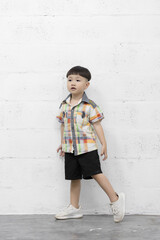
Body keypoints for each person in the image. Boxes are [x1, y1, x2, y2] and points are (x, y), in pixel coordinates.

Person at [55, 66, 125, 222]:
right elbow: (62, 125)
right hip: (70, 148)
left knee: (96, 173)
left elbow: (97, 125)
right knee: (73, 177)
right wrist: (62, 142)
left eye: (78, 80)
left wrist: (104, 143)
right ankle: (74, 207)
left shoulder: (90, 106)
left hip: (87, 148)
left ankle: (115, 199)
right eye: (70, 79)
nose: (73, 83)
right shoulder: (64, 105)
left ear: (86, 85)